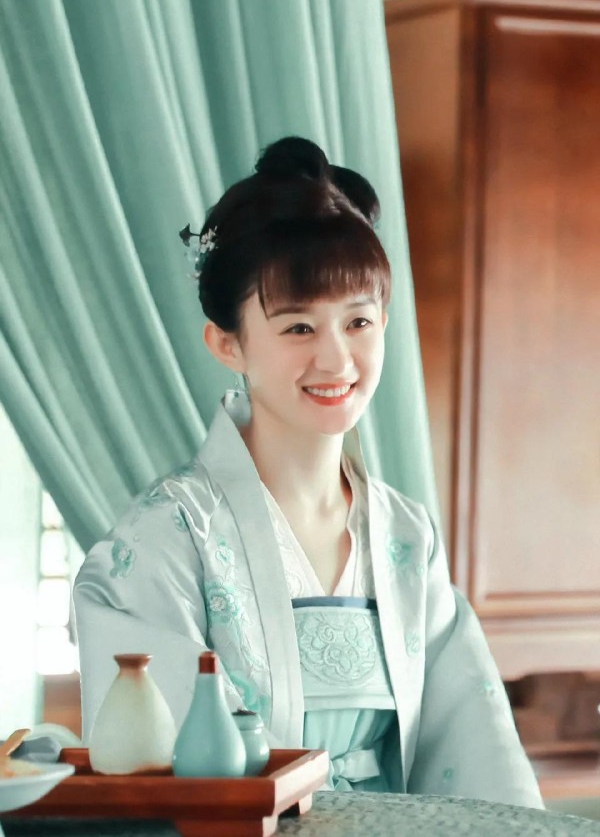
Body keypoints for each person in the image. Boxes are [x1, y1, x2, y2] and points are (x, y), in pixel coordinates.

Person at [74, 136, 543, 806]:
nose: (336, 360)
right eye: (298, 328)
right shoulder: (169, 536)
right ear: (227, 342)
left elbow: (476, 753)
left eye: (358, 322)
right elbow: (161, 765)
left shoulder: (405, 536)